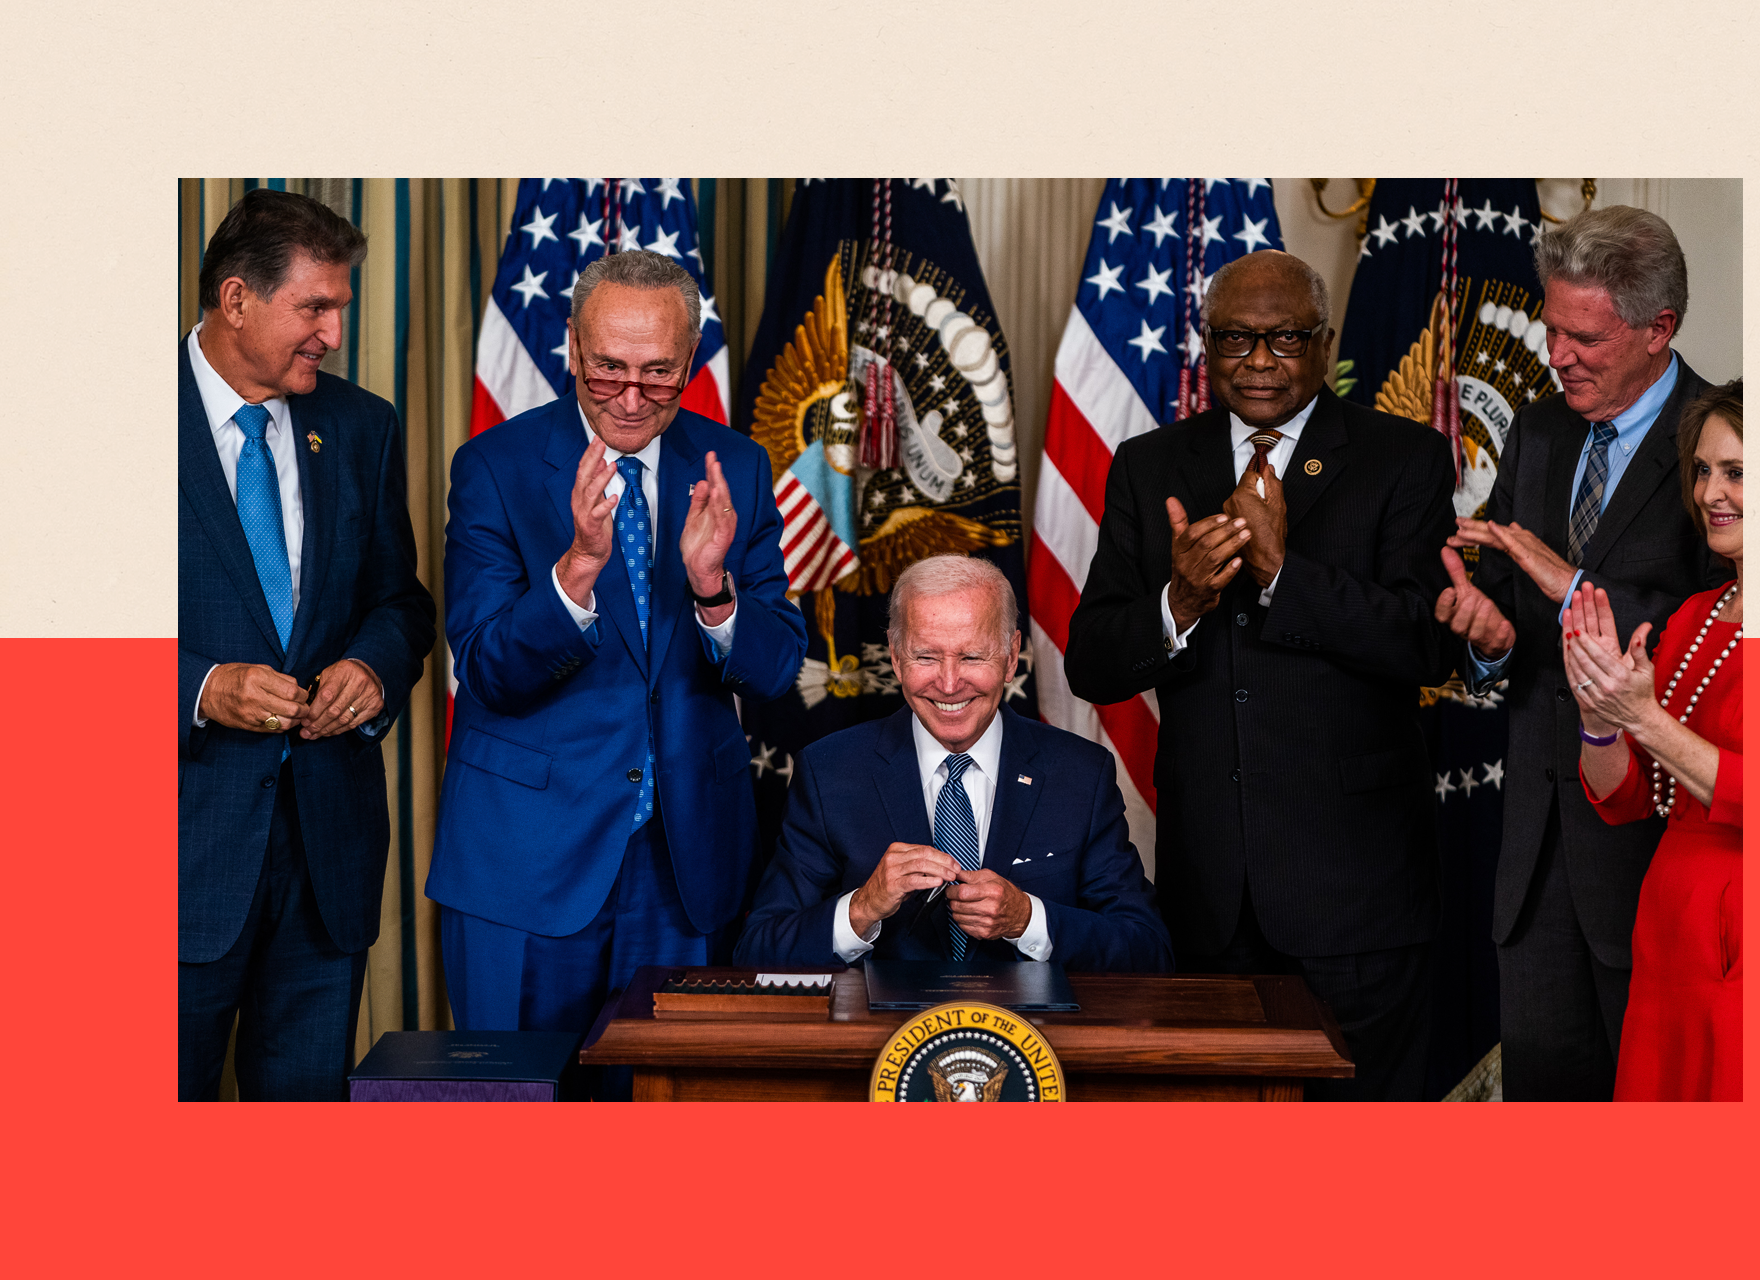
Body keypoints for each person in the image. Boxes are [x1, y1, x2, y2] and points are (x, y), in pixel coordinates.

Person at [1064, 249, 1458, 1099]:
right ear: (1207, 346)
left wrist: (1283, 573)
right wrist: (1178, 601)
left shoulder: (1404, 458)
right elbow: (1092, 660)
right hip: (1211, 897)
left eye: (1285, 339)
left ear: (1323, 344)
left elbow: (1427, 644)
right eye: (1236, 339)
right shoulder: (1150, 463)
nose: (1259, 362)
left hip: (1356, 900)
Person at [428, 250, 807, 1066]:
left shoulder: (733, 466)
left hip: (683, 863)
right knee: (522, 1119)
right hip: (528, 862)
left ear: (692, 356)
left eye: (658, 374)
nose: (630, 399)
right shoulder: (494, 467)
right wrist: (573, 576)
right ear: (571, 345)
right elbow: (489, 668)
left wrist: (715, 590)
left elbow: (776, 672)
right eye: (607, 370)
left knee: (671, 1113)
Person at [1434, 205, 1729, 1099]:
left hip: (1656, 844)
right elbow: (1526, 628)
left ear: (1658, 329)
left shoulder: (1720, 448)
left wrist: (1570, 589)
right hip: (1534, 846)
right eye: (1551, 326)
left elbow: (1716, 622)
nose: (1556, 353)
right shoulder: (1538, 430)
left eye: (1583, 336)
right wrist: (1492, 639)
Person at [179, 189, 436, 1101]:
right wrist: (200, 687)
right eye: (314, 308)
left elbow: (400, 603)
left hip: (325, 862)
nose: (331, 332)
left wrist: (372, 664)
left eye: (339, 308)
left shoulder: (360, 426)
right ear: (237, 298)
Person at [738, 556, 1171, 971]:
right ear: (894, 656)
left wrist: (1028, 920)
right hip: (882, 1040)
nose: (948, 684)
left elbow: (1148, 950)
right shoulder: (828, 772)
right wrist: (862, 908)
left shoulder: (1080, 774)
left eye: (971, 657)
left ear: (1010, 655)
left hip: (1038, 1039)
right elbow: (757, 952)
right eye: (926, 656)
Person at [1563, 381, 1742, 1100]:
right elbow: (1630, 797)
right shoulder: (1697, 614)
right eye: (1702, 470)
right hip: (1669, 929)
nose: (1710, 493)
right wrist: (1601, 716)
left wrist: (1647, 720)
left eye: (1736, 471)